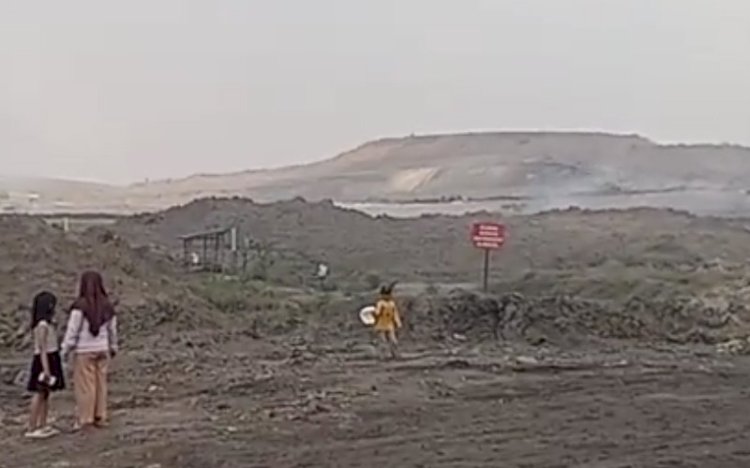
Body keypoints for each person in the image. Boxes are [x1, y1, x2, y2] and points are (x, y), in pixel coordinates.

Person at [61, 271, 118, 431]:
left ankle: (86, 418)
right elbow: (112, 330)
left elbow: (72, 330)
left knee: (86, 386)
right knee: (101, 384)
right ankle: (100, 415)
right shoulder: (108, 306)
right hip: (103, 349)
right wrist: (113, 346)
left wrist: (65, 349)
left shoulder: (80, 306)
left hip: (85, 350)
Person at [25, 291, 65, 439]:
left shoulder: (48, 324)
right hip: (44, 359)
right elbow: (41, 348)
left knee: (46, 393)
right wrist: (46, 368)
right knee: (39, 392)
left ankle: (43, 424)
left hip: (51, 356)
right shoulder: (42, 325)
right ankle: (32, 426)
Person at [373, 282, 402, 359]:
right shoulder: (380, 303)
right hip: (381, 324)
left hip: (389, 324)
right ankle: (383, 355)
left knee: (393, 340)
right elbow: (377, 313)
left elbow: (395, 313)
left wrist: (397, 322)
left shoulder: (392, 304)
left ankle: (395, 354)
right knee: (383, 341)